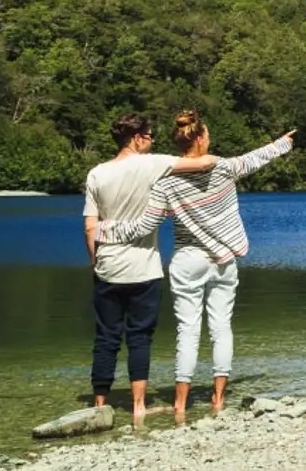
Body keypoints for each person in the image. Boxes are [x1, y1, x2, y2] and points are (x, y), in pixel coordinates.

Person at [96, 111, 295, 420]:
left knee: (187, 331)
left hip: (188, 260)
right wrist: (282, 143)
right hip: (223, 260)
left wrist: (107, 230)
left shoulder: (166, 183)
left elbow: (144, 226)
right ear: (200, 138)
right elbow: (255, 159)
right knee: (221, 328)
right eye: (209, 134)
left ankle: (179, 404)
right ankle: (217, 398)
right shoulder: (224, 168)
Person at [82, 113, 218, 423]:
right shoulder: (152, 164)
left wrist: (95, 261)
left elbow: (90, 227)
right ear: (137, 138)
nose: (153, 140)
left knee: (106, 337)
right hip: (144, 268)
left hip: (108, 267)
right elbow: (200, 164)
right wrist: (216, 151)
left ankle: (100, 403)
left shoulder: (96, 174)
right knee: (140, 336)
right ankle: (139, 406)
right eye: (150, 135)